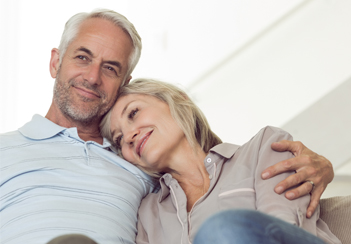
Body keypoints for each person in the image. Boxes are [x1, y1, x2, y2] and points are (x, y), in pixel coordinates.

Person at [0, 9, 333, 244]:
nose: (92, 77)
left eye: (111, 67)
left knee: (222, 231)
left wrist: (323, 166)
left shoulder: (259, 150)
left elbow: (280, 228)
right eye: (82, 57)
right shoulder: (150, 206)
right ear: (56, 61)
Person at [101, 78, 341, 244]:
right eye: (119, 139)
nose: (129, 137)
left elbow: (281, 228)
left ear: (178, 101)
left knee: (222, 229)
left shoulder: (264, 148)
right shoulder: (148, 213)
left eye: (133, 113)